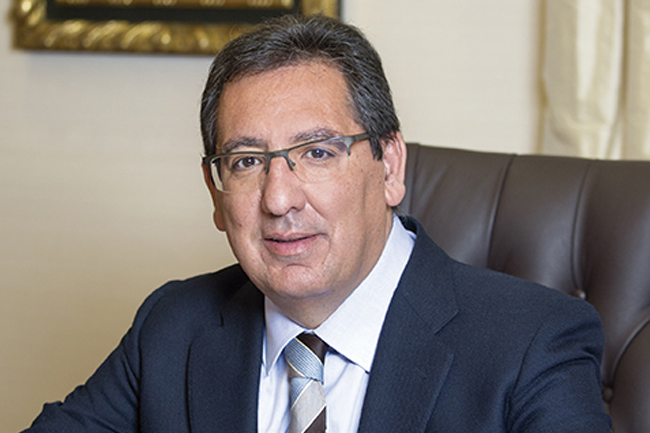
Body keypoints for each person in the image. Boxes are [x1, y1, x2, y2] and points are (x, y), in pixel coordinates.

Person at [23, 14, 612, 433]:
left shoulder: (533, 343)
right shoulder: (173, 329)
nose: (279, 199)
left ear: (389, 167)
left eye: (318, 152)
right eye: (246, 162)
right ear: (215, 193)